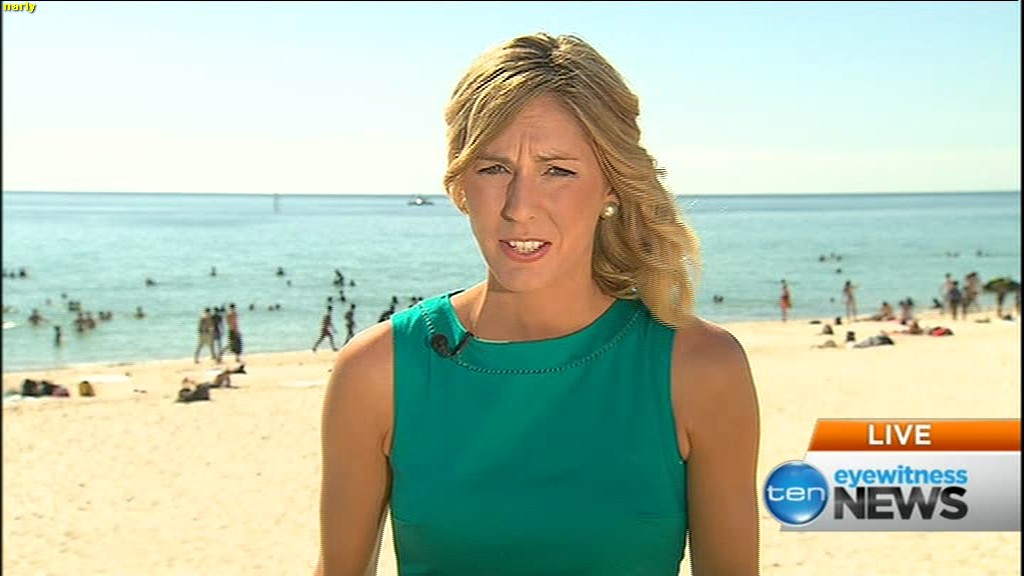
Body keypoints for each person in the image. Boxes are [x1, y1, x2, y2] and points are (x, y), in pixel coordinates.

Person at [314, 33, 760, 576]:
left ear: (612, 186)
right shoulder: (378, 371)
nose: (520, 207)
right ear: (461, 184)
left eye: (558, 170)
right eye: (494, 168)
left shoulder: (700, 369)